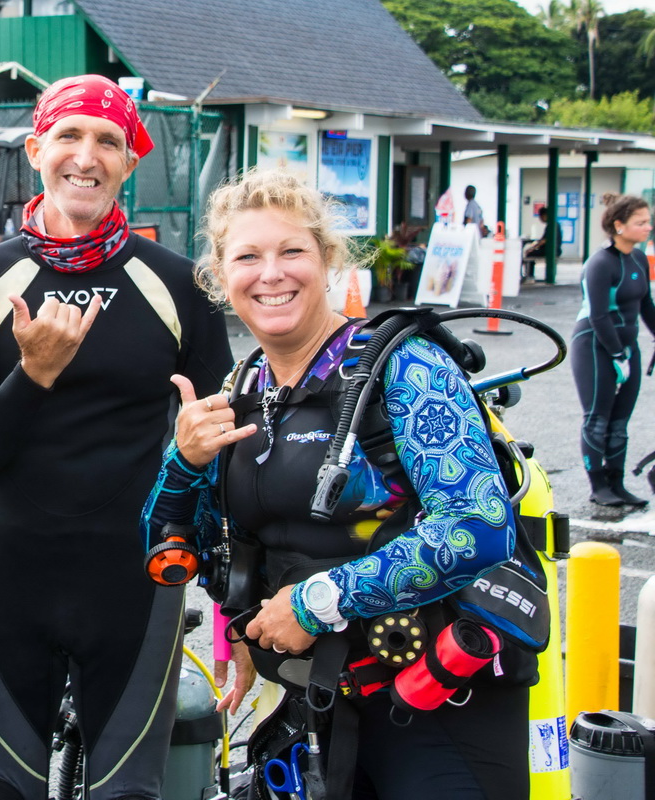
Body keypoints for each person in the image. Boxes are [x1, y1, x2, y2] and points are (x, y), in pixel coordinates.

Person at [141, 168, 531, 799]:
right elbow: (180, 550)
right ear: (221, 275)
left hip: (441, 701)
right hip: (314, 708)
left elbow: (479, 528)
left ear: (328, 261)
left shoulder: (405, 368)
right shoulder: (242, 392)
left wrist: (314, 603)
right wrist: (183, 462)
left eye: (292, 251)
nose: (271, 274)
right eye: (248, 257)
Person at [0, 74, 232, 800]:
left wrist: (236, 606)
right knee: (4, 789)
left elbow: (223, 449)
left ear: (131, 160)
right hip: (7, 573)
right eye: (69, 135)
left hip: (133, 578)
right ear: (37, 148)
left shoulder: (181, 285)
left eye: (109, 140)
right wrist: (33, 376)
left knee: (129, 794)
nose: (86, 155)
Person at [570, 192, 655, 507]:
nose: (648, 227)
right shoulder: (600, 263)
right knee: (598, 418)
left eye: (648, 222)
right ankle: (598, 486)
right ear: (619, 225)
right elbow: (598, 314)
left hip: (627, 345)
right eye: (641, 222)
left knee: (621, 420)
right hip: (595, 344)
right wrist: (618, 355)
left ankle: (617, 483)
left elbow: (645, 303)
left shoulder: (639, 258)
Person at [523, 207, 562, 281]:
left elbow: (544, 240)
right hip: (556, 250)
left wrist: (532, 248)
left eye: (540, 217)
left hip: (550, 251)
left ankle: (530, 275)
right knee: (531, 253)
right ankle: (530, 275)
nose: (540, 219)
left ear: (545, 215)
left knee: (529, 254)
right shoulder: (555, 224)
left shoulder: (551, 225)